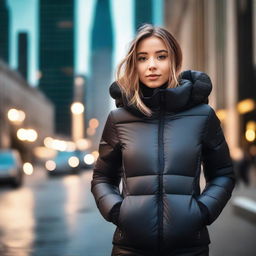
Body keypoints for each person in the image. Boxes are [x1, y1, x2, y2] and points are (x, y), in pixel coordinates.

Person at [91, 24, 236, 256]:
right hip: (130, 248)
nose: (152, 65)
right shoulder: (118, 119)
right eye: (142, 58)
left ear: (174, 61)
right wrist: (118, 211)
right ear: (134, 65)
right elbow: (102, 177)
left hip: (189, 247)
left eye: (161, 56)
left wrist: (203, 212)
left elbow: (223, 174)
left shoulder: (203, 115)